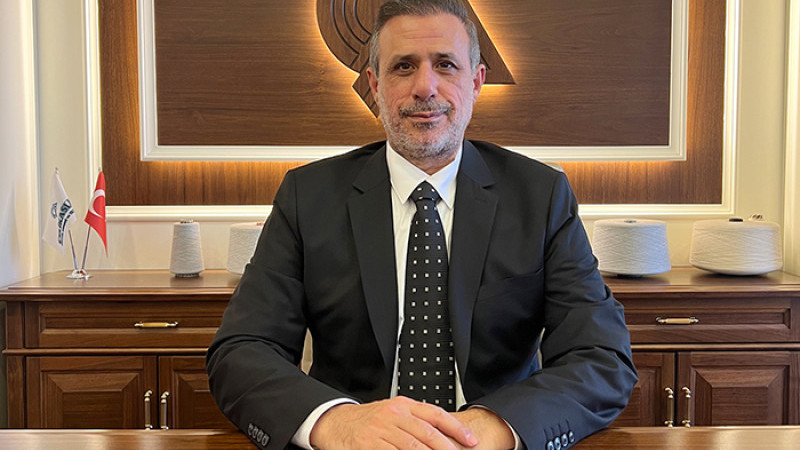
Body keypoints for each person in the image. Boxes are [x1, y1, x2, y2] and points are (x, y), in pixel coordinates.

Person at [206, 0, 637, 449]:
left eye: (445, 65)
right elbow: (241, 351)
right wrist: (337, 423)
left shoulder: (541, 196)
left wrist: (493, 427)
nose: (424, 87)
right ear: (375, 86)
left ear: (476, 81)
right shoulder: (307, 197)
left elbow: (601, 357)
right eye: (403, 67)